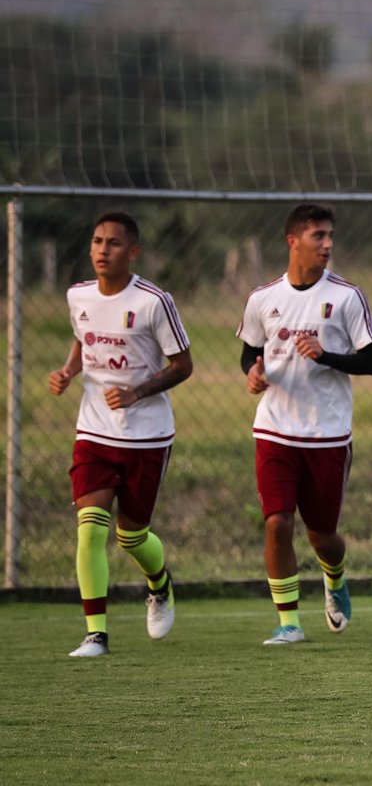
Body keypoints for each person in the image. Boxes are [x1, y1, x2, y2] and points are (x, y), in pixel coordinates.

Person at [49, 211, 193, 657]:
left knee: (131, 536)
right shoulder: (78, 296)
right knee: (90, 530)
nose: (101, 250)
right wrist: (70, 370)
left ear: (132, 252)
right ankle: (96, 633)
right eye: (96, 241)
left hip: (146, 436)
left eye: (112, 243)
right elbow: (83, 337)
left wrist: (138, 393)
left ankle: (160, 582)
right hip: (93, 431)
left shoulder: (154, 301)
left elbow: (183, 366)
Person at [236, 204, 372, 645]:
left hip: (328, 434)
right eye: (318, 235)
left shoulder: (347, 297)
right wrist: (254, 372)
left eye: (330, 235)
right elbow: (250, 351)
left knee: (323, 537)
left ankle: (334, 577)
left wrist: (327, 356)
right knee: (277, 523)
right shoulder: (263, 299)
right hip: (275, 430)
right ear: (293, 241)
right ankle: (289, 622)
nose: (327, 244)